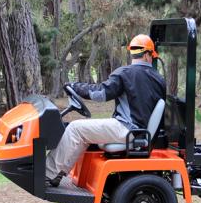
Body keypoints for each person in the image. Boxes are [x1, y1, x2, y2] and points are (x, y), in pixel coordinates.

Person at [46, 34, 166, 187]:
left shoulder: (125, 73)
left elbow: (100, 94)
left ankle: (47, 173)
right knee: (81, 130)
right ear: (149, 55)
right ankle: (59, 173)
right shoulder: (159, 79)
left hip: (127, 129)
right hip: (138, 131)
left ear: (132, 53)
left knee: (75, 128)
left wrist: (75, 87)